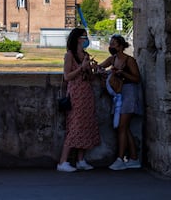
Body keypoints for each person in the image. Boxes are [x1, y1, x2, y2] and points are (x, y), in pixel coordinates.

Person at [57, 27, 100, 172]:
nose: (86, 39)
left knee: (86, 125)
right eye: (83, 36)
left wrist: (92, 69)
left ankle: (81, 160)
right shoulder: (69, 55)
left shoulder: (86, 55)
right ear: (77, 38)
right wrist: (81, 67)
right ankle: (63, 161)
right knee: (75, 125)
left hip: (86, 93)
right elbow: (67, 76)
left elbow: (90, 78)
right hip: (75, 94)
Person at [98, 34, 143, 170]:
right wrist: (99, 70)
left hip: (129, 94)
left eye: (113, 44)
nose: (110, 46)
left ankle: (120, 158)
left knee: (122, 127)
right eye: (110, 43)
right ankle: (134, 158)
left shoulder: (129, 60)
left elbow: (136, 78)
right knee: (124, 127)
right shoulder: (113, 59)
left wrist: (122, 73)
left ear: (121, 46)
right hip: (119, 95)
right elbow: (100, 66)